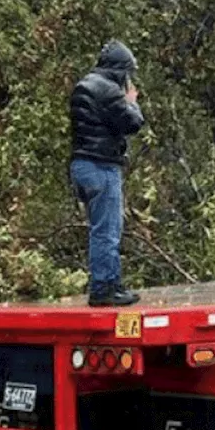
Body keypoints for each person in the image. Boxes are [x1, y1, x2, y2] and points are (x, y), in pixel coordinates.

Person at [69, 40, 146, 307]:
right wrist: (132, 102)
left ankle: (107, 283)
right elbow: (133, 123)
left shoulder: (83, 85)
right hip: (102, 165)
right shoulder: (109, 91)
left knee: (97, 229)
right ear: (120, 69)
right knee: (108, 230)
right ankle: (105, 288)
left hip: (80, 165)